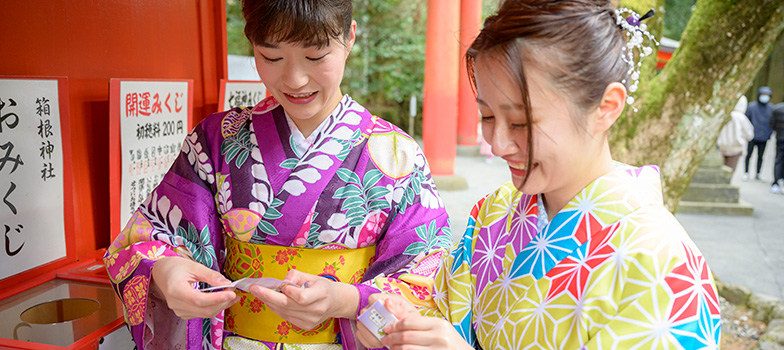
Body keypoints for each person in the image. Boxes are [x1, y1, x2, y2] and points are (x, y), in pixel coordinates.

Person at [355, 1, 721, 349]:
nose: (498, 144)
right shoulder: (494, 212)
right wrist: (396, 318)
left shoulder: (662, 264)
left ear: (605, 108)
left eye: (520, 122)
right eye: (487, 116)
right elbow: (440, 299)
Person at [104, 1, 451, 349]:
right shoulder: (216, 139)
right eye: (271, 57)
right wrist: (165, 274)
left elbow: (428, 272)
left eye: (315, 57)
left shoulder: (397, 155)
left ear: (349, 37)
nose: (294, 80)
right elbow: (147, 239)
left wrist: (346, 300)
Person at [744, 86, 774, 181]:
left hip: (764, 136)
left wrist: (769, 133)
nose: (765, 97)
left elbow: (773, 123)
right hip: (752, 136)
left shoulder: (771, 108)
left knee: (761, 156)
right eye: (763, 95)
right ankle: (746, 172)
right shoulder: (751, 107)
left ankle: (758, 173)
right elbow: (746, 120)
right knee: (749, 154)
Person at [717, 95, 754, 173]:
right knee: (729, 172)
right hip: (735, 148)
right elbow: (749, 134)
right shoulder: (741, 118)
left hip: (721, 147)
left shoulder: (723, 115)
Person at [770, 98, 784, 193]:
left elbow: (772, 124)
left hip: (780, 138)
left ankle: (775, 182)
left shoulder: (777, 108)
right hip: (780, 138)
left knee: (778, 160)